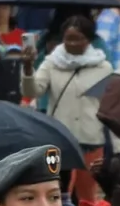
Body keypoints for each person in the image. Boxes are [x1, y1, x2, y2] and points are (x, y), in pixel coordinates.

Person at [29, 16, 113, 155]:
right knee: (56, 176)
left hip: (92, 142)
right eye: (68, 39)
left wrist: (117, 148)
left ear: (89, 40)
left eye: (78, 39)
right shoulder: (50, 63)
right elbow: (33, 91)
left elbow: (110, 106)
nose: (72, 43)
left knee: (88, 177)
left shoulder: (104, 68)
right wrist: (27, 70)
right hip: (59, 140)